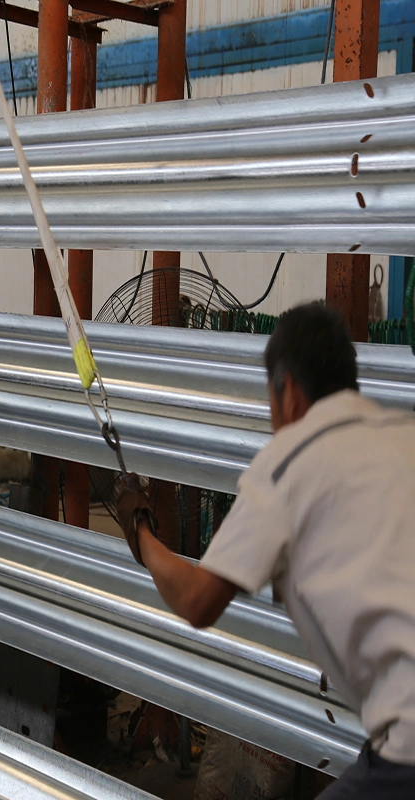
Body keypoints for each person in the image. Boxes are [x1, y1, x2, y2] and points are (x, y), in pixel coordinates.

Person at [116, 303, 415, 799]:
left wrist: (140, 530)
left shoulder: (291, 462)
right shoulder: (402, 435)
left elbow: (197, 601)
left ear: (289, 391)